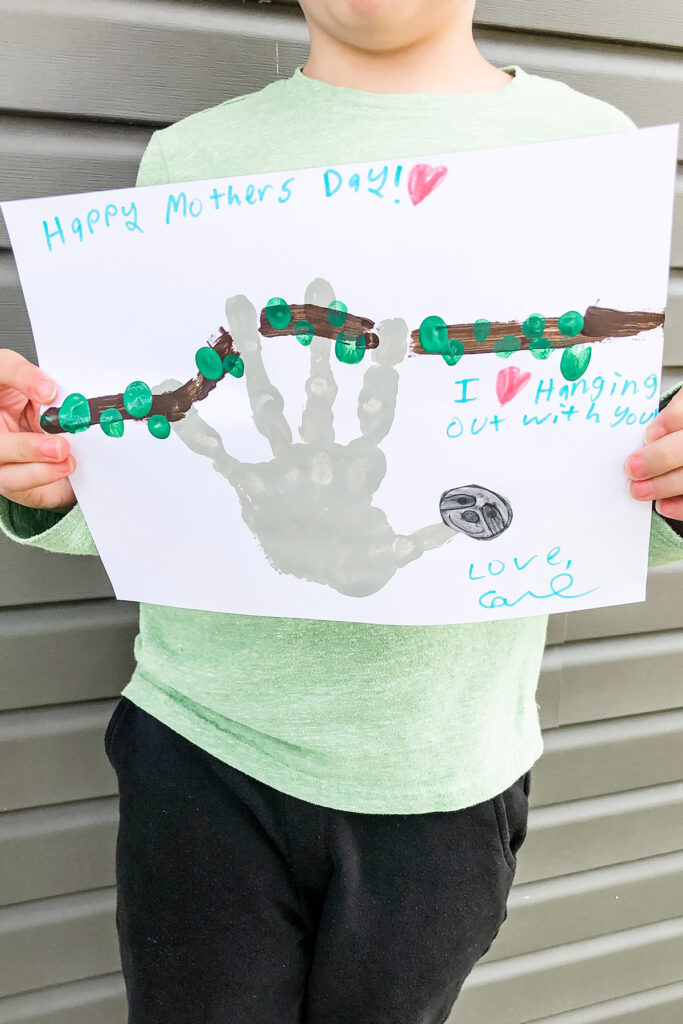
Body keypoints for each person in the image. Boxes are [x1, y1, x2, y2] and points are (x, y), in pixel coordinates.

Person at [2, 2, 683, 1021]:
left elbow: (590, 483)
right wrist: (51, 485)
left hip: (442, 776)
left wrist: (666, 491)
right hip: (203, 745)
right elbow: (150, 463)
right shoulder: (192, 159)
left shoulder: (586, 152)